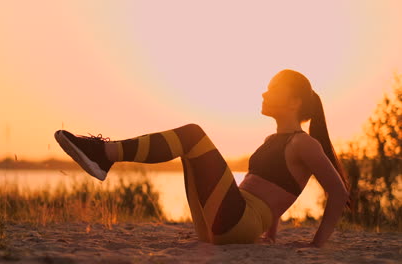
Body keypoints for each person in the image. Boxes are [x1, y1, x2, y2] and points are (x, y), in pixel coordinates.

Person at [54, 69, 350, 247]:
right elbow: (276, 193)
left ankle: (105, 154)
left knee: (193, 136)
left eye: (273, 90)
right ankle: (104, 155)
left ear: (295, 102)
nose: (264, 93)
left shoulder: (305, 143)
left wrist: (316, 244)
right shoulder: (272, 141)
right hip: (221, 223)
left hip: (239, 224)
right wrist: (272, 235)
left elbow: (338, 191)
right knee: (188, 148)